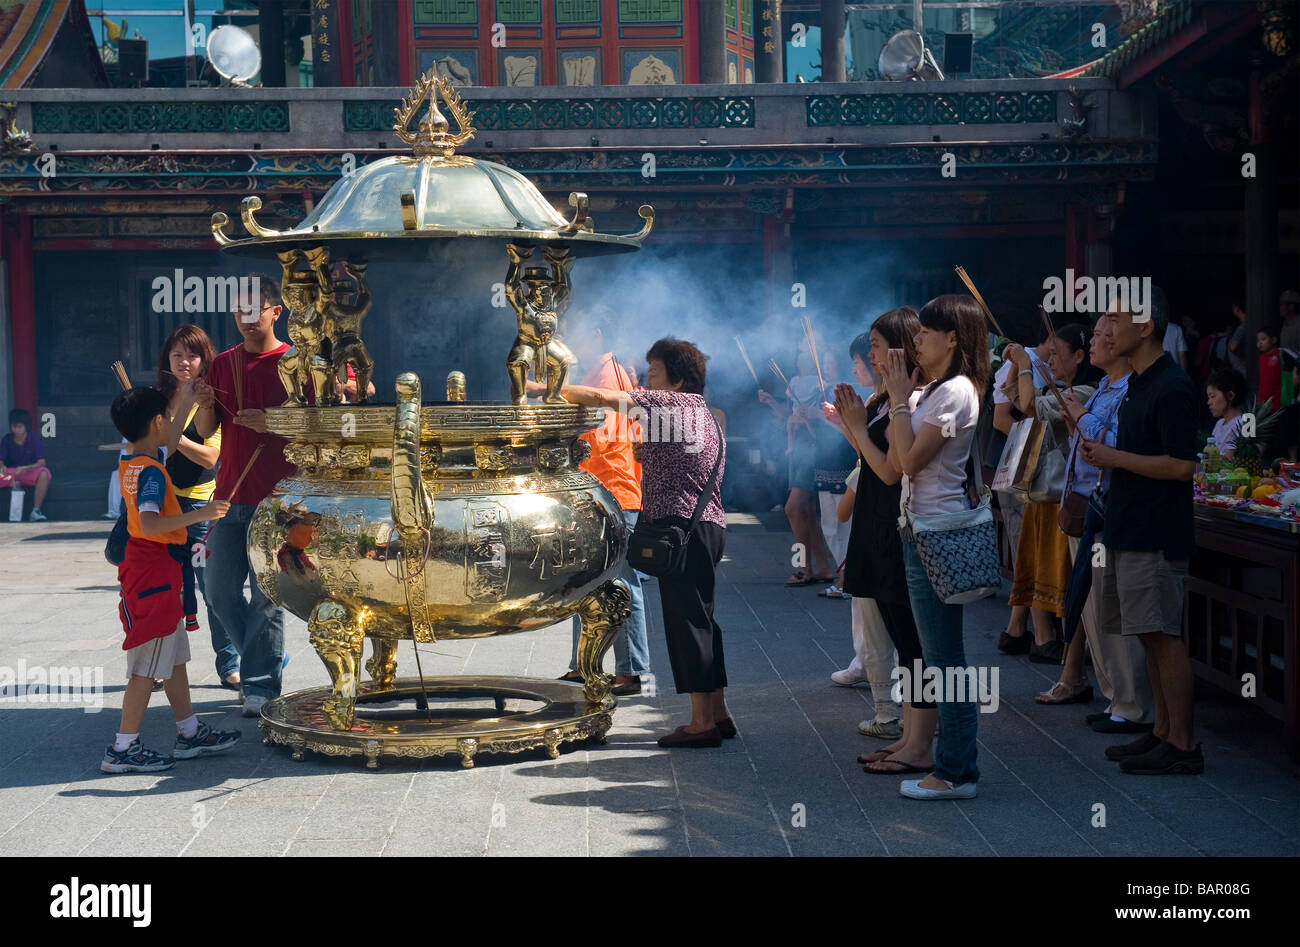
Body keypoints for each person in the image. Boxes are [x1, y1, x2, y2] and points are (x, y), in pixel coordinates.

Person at [560, 338, 730, 748]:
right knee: (703, 622)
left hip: (680, 531)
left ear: (677, 377)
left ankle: (700, 723)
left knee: (687, 624)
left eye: (653, 370)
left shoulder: (667, 404)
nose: (645, 378)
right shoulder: (702, 413)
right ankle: (718, 713)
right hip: (707, 527)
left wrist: (558, 384)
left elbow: (600, 396)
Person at [1081, 295, 1203, 775]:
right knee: (1148, 635)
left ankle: (1184, 744)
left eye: (1115, 318)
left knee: (1163, 635)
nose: (1106, 329)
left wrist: (1115, 459)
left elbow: (1181, 466)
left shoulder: (1171, 386)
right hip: (1128, 525)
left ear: (1146, 326)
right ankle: (1161, 733)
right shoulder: (1138, 383)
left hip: (1156, 531)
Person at [880, 294, 990, 799]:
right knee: (937, 654)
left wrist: (901, 398)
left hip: (937, 531)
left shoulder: (956, 393)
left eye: (926, 333)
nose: (917, 341)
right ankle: (952, 766)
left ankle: (955, 771)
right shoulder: (942, 390)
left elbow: (906, 462)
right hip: (921, 529)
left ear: (954, 338)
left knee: (945, 658)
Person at [101, 386, 238, 773]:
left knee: (174, 658)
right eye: (167, 418)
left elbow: (169, 436)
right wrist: (202, 513)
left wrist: (192, 397)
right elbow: (149, 523)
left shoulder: (133, 460)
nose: (172, 428)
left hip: (152, 572)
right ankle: (122, 748)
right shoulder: (152, 475)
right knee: (145, 667)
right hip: (153, 576)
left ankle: (190, 732)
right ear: (157, 423)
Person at [832, 310, 940, 775]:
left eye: (877, 345)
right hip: (876, 525)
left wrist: (857, 427)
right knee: (902, 635)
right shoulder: (886, 399)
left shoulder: (912, 401)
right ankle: (909, 741)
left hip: (897, 527)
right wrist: (853, 425)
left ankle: (919, 745)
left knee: (914, 641)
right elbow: (872, 459)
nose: (870, 354)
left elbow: (893, 470)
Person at [1037, 317, 1153, 735]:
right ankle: (1114, 697)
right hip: (1084, 506)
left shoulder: (1129, 390)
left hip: (1108, 507)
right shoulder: (1104, 387)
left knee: (1113, 608)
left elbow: (1116, 442)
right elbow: (1085, 446)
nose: (1098, 341)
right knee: (1093, 605)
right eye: (1099, 333)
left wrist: (1081, 416)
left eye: (1105, 335)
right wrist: (1077, 421)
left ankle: (1132, 704)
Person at [194, 277, 296, 719]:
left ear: (277, 311)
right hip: (230, 495)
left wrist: (272, 422)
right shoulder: (223, 364)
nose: (246, 319)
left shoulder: (296, 362)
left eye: (255, 310)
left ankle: (261, 685)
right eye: (239, 312)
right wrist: (201, 403)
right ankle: (260, 663)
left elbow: (326, 423)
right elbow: (205, 431)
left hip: (279, 501)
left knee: (267, 596)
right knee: (217, 591)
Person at [550, 310, 651, 696]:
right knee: (585, 582)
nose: (571, 338)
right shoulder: (600, 372)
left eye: (576, 331)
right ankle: (582, 665)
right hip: (598, 492)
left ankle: (631, 669)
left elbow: (600, 441)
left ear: (595, 334)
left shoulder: (607, 376)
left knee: (622, 583)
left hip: (613, 493)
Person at [1002, 324, 1099, 664]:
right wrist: (1016, 365)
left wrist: (1026, 365)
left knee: (1065, 574)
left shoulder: (1085, 393)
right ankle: (1049, 640)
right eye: (1050, 352)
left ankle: (1072, 647)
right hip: (1046, 493)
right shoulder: (1063, 390)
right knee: (1041, 566)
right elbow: (1019, 399)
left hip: (1066, 499)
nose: (1051, 359)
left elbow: (1028, 405)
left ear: (1080, 357)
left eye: (1058, 354)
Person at [156, 324, 239, 689]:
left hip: (200, 507)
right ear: (167, 358)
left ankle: (230, 664)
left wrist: (170, 435)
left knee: (212, 589)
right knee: (164, 590)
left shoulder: (210, 399)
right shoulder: (155, 398)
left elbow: (210, 457)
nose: (184, 362)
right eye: (177, 354)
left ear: (205, 359)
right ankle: (162, 665)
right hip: (160, 507)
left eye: (192, 355)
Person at [991, 332, 1052, 654]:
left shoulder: (1041, 364)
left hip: (1035, 469)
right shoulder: (1017, 365)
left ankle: (1016, 629)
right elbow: (1002, 420)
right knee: (1027, 550)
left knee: (1029, 550)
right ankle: (1041, 635)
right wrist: (1040, 437)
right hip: (1021, 466)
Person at [761, 343, 837, 586]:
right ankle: (823, 566)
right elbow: (789, 415)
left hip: (815, 452)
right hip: (801, 451)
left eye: (828, 363)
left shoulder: (829, 389)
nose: (824, 367)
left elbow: (831, 427)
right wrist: (773, 403)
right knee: (806, 511)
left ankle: (804, 567)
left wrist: (811, 420)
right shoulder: (804, 385)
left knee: (793, 508)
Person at [1, 408, 52, 521]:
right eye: (13, 426)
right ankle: (12, 484)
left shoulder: (34, 439)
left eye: (19, 427)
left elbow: (42, 462)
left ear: (26, 426)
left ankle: (36, 511)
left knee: (44, 473)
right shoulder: (7, 439)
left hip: (28, 472)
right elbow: (1, 460)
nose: (16, 430)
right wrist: (2, 466)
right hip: (11, 474)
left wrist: (25, 468)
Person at [1205, 368, 1248, 464]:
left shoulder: (1246, 422)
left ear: (1230, 396)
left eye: (1212, 396)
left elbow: (1229, 459)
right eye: (1208, 397)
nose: (1209, 402)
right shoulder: (1219, 423)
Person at [1257, 323, 1283, 410]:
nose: (1260, 343)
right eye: (1258, 340)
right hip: (1264, 402)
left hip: (1278, 402)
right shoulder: (1262, 357)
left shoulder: (1280, 354)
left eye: (1263, 339)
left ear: (1274, 340)